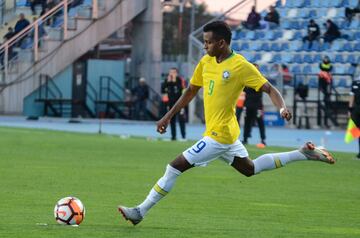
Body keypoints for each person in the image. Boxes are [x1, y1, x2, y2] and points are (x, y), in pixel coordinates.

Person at [117, 21, 335, 225]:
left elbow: (269, 88)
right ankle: (302, 154)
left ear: (221, 43)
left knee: (174, 167)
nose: (205, 46)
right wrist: (168, 116)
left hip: (219, 136)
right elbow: (191, 90)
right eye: (204, 42)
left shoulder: (241, 66)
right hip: (225, 132)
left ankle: (140, 211)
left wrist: (282, 107)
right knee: (250, 169)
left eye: (208, 42)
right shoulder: (206, 61)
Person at [242, 64, 266, 147]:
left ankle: (263, 140)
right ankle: (245, 139)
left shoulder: (261, 79)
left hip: (257, 105)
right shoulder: (246, 79)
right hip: (248, 104)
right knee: (247, 122)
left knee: (260, 122)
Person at [161, 68, 187, 141]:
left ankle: (183, 137)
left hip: (179, 103)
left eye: (173, 72)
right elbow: (162, 89)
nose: (171, 74)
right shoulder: (167, 80)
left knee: (181, 119)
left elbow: (182, 89)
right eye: (170, 72)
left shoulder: (180, 80)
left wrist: (175, 81)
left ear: (176, 73)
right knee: (172, 120)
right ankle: (173, 137)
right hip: (170, 104)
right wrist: (168, 82)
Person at [318, 56, 333, 127]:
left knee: (326, 75)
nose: (325, 60)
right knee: (322, 74)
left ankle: (326, 93)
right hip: (323, 81)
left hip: (327, 81)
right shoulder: (321, 64)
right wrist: (325, 71)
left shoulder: (330, 65)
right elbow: (323, 69)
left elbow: (328, 69)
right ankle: (323, 90)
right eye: (325, 59)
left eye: (327, 59)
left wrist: (325, 71)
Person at [349, 76, 360, 158]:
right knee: (358, 132)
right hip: (357, 109)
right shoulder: (355, 82)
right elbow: (352, 96)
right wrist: (350, 109)